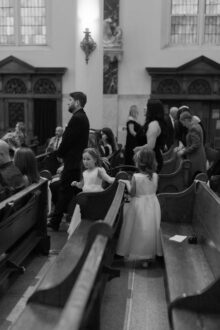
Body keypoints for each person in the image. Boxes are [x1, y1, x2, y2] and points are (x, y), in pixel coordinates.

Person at [47, 91, 90, 231]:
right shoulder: (81, 116)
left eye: (70, 100)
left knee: (64, 192)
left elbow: (67, 140)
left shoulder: (77, 118)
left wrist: (60, 154)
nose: (68, 103)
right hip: (75, 162)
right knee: (69, 192)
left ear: (77, 102)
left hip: (72, 162)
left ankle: (55, 222)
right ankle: (75, 220)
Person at [116, 147, 162, 268]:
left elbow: (132, 193)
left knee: (136, 229)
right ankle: (147, 255)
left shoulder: (136, 177)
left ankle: (136, 253)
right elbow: (154, 190)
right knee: (150, 228)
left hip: (139, 204)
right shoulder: (155, 175)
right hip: (152, 203)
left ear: (140, 162)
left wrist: (126, 183)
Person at [68, 147, 115, 238]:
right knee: (81, 219)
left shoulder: (99, 170)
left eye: (88, 159)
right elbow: (82, 185)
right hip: (84, 200)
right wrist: (76, 184)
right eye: (84, 159)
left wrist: (117, 179)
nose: (85, 161)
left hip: (95, 199)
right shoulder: (85, 172)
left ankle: (92, 234)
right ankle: (80, 235)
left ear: (95, 160)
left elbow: (109, 179)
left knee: (91, 219)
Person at [135, 99, 167, 173]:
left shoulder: (154, 124)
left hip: (151, 160)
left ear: (152, 110)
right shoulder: (153, 123)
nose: (145, 108)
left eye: (147, 106)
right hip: (149, 158)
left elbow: (151, 146)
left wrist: (138, 148)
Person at [177, 111, 207, 181]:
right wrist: (184, 148)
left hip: (196, 158)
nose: (183, 125)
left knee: (195, 179)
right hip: (198, 156)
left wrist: (183, 152)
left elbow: (196, 145)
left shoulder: (193, 128)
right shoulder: (197, 125)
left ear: (186, 120)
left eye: (183, 123)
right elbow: (193, 143)